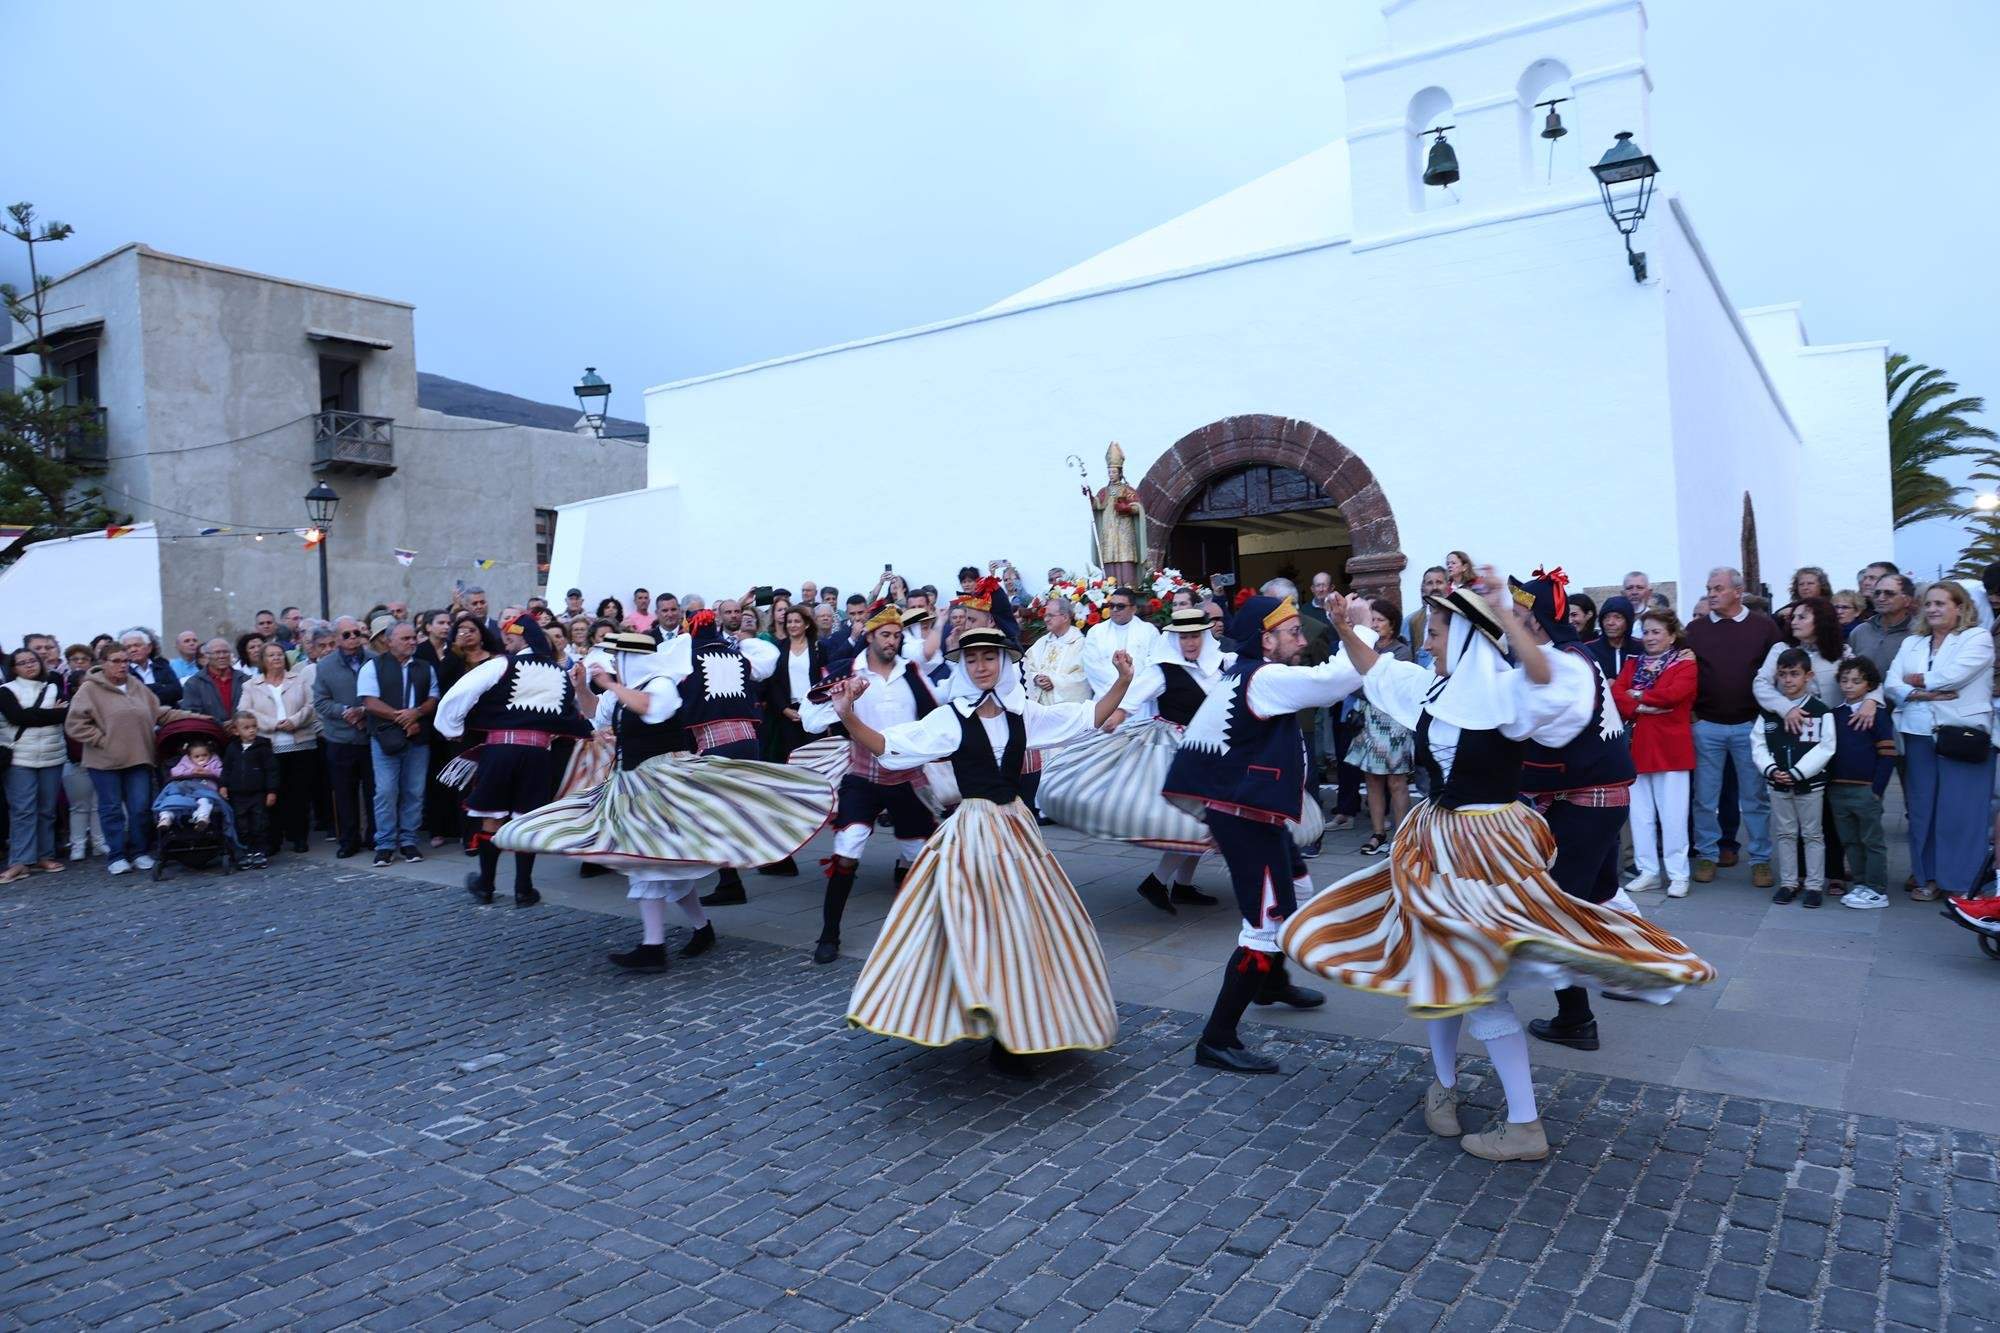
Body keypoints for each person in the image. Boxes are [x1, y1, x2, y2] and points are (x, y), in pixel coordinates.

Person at [1284, 578, 1713, 1162]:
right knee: (1439, 971)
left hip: (1486, 848)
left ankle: (1523, 1121)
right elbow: (1374, 669)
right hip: (1437, 841)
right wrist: (1342, 626)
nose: (1428, 643)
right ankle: (1446, 1086)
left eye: (1435, 633)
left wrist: (1507, 614)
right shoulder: (1436, 687)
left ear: (1463, 637)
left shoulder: (1514, 693)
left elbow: (1545, 673)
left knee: (1474, 983)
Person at [831, 625, 1134, 1076]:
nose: (981, 666)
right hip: (973, 834)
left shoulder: (1022, 714)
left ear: (1004, 662)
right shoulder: (950, 718)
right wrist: (849, 716)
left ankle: (1019, 1030)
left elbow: (1086, 717)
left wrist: (1123, 681)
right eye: (972, 660)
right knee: (980, 928)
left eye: (989, 658)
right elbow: (891, 746)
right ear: (964, 667)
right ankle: (986, 1017)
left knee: (1029, 929)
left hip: (1016, 829)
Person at [500, 632, 834, 970]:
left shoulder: (661, 684)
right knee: (662, 867)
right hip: (633, 785)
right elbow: (594, 717)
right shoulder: (626, 692)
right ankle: (698, 930)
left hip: (662, 786)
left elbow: (650, 708)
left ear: (634, 658)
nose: (615, 664)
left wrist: (608, 683)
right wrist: (584, 688)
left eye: (619, 658)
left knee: (651, 865)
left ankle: (654, 947)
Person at [1161, 591, 1374, 1076]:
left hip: (1254, 814)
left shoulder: (1248, 674)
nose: (1301, 641)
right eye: (1293, 632)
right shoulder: (1265, 677)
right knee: (1265, 924)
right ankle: (1217, 1038)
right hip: (1247, 818)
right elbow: (1337, 680)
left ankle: (1272, 983)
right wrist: (1357, 627)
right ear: (1267, 639)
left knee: (1296, 889)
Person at [797, 604, 944, 963]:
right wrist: (843, 703)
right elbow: (808, 720)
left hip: (908, 778)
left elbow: (935, 716)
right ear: (870, 636)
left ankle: (921, 935)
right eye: (885, 634)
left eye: (896, 635)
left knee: (919, 858)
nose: (892, 641)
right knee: (847, 850)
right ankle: (829, 935)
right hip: (862, 774)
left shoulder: (911, 673)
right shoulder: (848, 672)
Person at [436, 614, 594, 907]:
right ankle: (524, 889)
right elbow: (571, 714)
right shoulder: (560, 673)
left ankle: (486, 885)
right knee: (526, 820)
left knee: (491, 816)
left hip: (500, 750)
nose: (506, 641)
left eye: (510, 637)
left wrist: (452, 729)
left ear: (521, 639)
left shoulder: (502, 664)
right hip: (538, 754)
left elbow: (458, 695)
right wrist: (589, 733)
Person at [1886, 581, 1994, 902]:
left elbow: (1955, 675)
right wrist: (1922, 692)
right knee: (1922, 812)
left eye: (1941, 603)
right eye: (1929, 603)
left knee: (1961, 813)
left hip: (1963, 735)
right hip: (1918, 735)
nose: (1932, 609)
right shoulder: (1912, 643)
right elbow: (1892, 683)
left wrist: (1914, 683)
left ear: (1959, 607)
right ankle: (1927, 877)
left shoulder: (1977, 637)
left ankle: (1960, 881)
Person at [1686, 567, 1784, 887]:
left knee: (1755, 798)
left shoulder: (1764, 627)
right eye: (1709, 588)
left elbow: (1777, 673)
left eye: (1718, 588)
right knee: (1704, 797)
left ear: (1737, 592)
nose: (1712, 593)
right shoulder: (1696, 629)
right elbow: (1685, 673)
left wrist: (1766, 718)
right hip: (1707, 726)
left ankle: (1760, 859)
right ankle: (1707, 855)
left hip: (1749, 726)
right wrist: (1694, 717)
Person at [65, 646, 200, 874]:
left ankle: (139, 852)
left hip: (138, 757)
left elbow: (160, 712)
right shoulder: (89, 689)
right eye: (116, 661)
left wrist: (196, 718)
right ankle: (116, 855)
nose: (122, 665)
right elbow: (75, 724)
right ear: (104, 662)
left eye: (126, 661)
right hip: (104, 761)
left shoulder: (135, 685)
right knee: (111, 809)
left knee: (140, 808)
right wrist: (101, 739)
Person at [1614, 609, 1697, 897]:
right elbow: (1616, 695)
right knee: (1641, 815)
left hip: (1671, 749)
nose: (1649, 637)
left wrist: (1635, 696)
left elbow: (1673, 696)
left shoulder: (1684, 665)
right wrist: (1640, 704)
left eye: (1656, 631)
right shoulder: (1633, 663)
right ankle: (1648, 871)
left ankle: (1678, 874)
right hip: (1638, 748)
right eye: (1646, 631)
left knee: (1673, 816)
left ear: (1672, 636)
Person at [1754, 649, 1837, 907]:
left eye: (1794, 674)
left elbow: (1826, 747)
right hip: (1778, 783)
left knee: (1812, 834)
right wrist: (1771, 769)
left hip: (1809, 785)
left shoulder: (1820, 711)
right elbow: (1758, 744)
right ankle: (1789, 882)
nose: (1788, 680)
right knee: (1785, 833)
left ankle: (1814, 885)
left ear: (1808, 676)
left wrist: (1798, 772)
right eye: (1782, 675)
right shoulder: (1769, 712)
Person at [358, 620, 438, 867]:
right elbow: (370, 702)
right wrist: (404, 718)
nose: (412, 642)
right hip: (385, 738)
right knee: (385, 791)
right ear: (389, 641)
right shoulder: (373, 666)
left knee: (414, 791)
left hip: (418, 738)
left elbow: (434, 698)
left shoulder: (426, 667)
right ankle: (384, 844)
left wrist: (417, 712)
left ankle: (409, 841)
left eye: (414, 637)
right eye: (406, 638)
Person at [1826, 657, 1897, 910]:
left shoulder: (1877, 715)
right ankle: (1861, 884)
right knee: (1850, 840)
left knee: (1872, 840)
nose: (1848, 685)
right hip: (1837, 789)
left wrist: (1876, 789)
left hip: (1865, 789)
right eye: (1844, 680)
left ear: (1869, 684)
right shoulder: (1834, 715)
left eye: (1856, 681)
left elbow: (1888, 754)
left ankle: (1877, 889)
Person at [1345, 599, 1414, 856]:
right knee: (1372, 780)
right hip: (1369, 718)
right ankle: (1377, 834)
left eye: (1379, 621)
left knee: (1397, 781)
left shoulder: (1401, 651)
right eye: (1371, 620)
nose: (1374, 625)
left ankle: (1402, 836)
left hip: (1394, 720)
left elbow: (1387, 684)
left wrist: (1369, 682)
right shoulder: (1364, 647)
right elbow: (1355, 683)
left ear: (1392, 624)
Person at [0, 646, 71, 883]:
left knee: (47, 810)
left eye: (33, 661)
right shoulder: (6, 690)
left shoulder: (53, 686)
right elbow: (17, 717)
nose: (30, 665)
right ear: (13, 667)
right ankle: (20, 861)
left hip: (52, 755)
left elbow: (64, 714)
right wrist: (48, 714)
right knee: (23, 810)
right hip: (20, 757)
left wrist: (36, 714)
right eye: (23, 662)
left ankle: (44, 855)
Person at [312, 617, 376, 858]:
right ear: (337, 639)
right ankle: (348, 840)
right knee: (344, 793)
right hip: (340, 739)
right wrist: (345, 712)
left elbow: (384, 696)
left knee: (374, 791)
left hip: (370, 737)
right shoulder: (326, 666)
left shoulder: (375, 660)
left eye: (356, 633)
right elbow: (321, 702)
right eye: (346, 635)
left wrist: (365, 712)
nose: (352, 638)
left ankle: (375, 836)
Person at [244, 642, 316, 856]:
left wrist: (294, 720)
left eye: (279, 655)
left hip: (300, 743)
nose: (276, 659)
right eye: (271, 655)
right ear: (263, 660)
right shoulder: (251, 685)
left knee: (299, 794)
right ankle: (273, 839)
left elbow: (311, 706)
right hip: (270, 746)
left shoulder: (299, 679)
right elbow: (245, 711)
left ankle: (300, 837)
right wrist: (272, 723)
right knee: (274, 794)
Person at [152, 737, 241, 858]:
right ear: (190, 757)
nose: (201, 759)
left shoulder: (214, 761)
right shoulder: (185, 762)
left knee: (205, 801)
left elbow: (222, 773)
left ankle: (202, 817)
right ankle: (166, 818)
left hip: (205, 791)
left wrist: (208, 772)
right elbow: (174, 772)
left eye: (204, 755)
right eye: (197, 757)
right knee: (172, 800)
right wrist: (191, 771)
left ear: (210, 754)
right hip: (186, 792)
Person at [763, 605, 824, 765]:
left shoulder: (818, 647)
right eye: (789, 622)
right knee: (791, 758)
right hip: (788, 711)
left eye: (797, 621)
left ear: (807, 624)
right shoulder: (778, 648)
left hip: (813, 709)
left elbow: (824, 679)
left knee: (814, 757)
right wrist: (784, 709)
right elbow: (773, 682)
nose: (792, 625)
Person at [1080, 586, 1160, 699]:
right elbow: (1092, 667)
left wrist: (1133, 693)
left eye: (1120, 606)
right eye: (1112, 606)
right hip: (1106, 699)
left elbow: (1154, 668)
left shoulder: (1149, 631)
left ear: (1133, 609)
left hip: (1141, 702)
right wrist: (1118, 691)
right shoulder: (1096, 632)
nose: (1115, 609)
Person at [222, 711, 276, 869]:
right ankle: (243, 852)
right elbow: (226, 769)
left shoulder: (262, 747)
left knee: (259, 823)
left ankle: (260, 852)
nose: (251, 730)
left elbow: (272, 770)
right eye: (246, 728)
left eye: (254, 727)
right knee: (241, 824)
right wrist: (223, 785)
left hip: (258, 793)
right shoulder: (232, 748)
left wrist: (271, 791)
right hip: (237, 794)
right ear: (236, 731)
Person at [1850, 574, 1916, 682]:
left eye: (1889, 593)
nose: (1881, 598)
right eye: (1877, 593)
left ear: (1907, 600)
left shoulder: (1918, 633)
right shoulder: (1860, 632)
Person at [1021, 598, 1088, 705]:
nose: (1046, 619)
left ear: (1065, 617)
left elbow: (1084, 679)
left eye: (1050, 615)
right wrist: (1035, 678)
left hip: (1065, 710)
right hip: (1039, 708)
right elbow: (1025, 666)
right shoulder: (1042, 642)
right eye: (1045, 615)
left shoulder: (1081, 644)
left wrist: (1054, 681)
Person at [181, 638, 252, 724]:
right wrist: (221, 725)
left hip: (243, 733)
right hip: (209, 734)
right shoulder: (193, 683)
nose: (222, 656)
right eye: (217, 652)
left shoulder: (245, 680)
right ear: (207, 655)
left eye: (225, 652)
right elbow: (192, 714)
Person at [120, 629, 184, 707]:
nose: (133, 650)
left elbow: (177, 691)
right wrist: (159, 686)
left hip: (169, 713)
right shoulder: (123, 670)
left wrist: (145, 689)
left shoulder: (162, 665)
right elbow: (131, 698)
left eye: (137, 645)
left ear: (149, 648)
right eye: (128, 647)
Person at [1587, 595, 1639, 682]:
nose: (1610, 622)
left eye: (1617, 617)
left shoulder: (1640, 648)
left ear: (1628, 622)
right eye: (1606, 617)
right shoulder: (1589, 649)